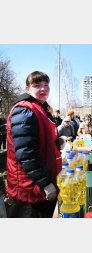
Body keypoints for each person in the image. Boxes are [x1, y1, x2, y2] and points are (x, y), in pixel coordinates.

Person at [5, 71, 62, 217]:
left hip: (37, 184)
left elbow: (37, 140)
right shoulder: (24, 110)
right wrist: (45, 183)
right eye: (37, 85)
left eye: (46, 85)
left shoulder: (39, 108)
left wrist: (55, 142)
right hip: (30, 188)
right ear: (27, 89)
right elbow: (26, 153)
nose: (43, 89)